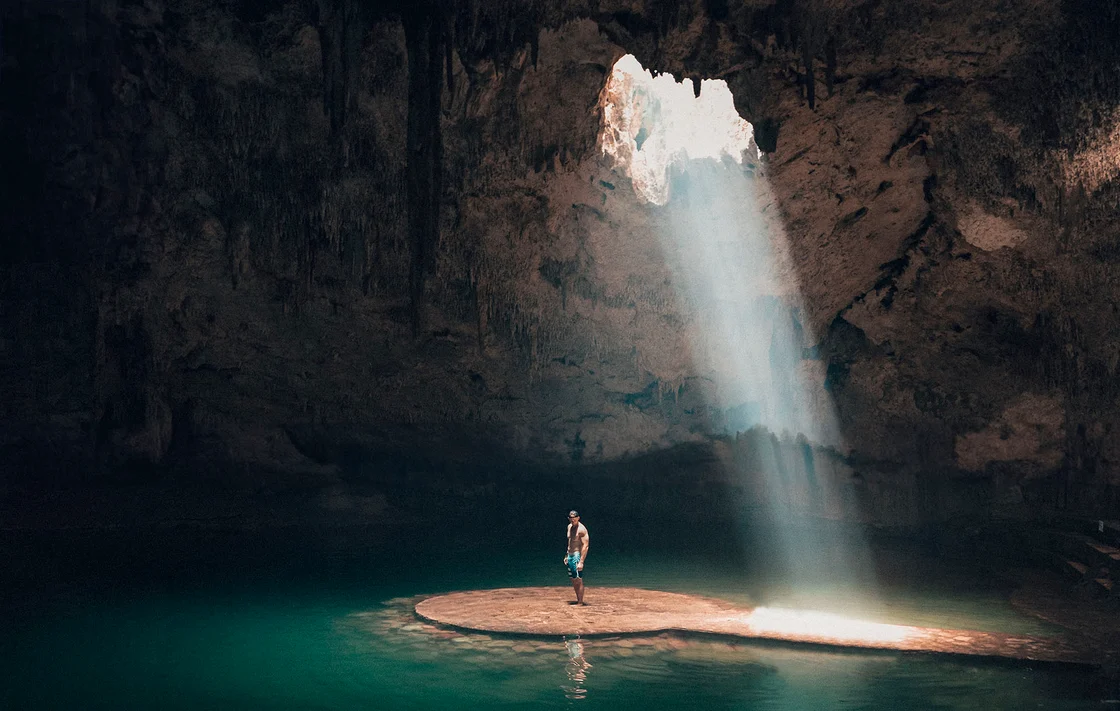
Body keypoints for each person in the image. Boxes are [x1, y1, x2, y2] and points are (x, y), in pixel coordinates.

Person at [563, 510, 589, 605]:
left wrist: (581, 561)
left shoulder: (581, 529)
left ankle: (580, 602)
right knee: (573, 579)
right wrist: (567, 555)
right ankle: (578, 599)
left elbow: (585, 546)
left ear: (578, 518)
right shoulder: (569, 527)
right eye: (571, 518)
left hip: (577, 555)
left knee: (578, 579)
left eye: (574, 518)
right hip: (570, 555)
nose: (573, 520)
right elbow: (570, 542)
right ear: (569, 518)